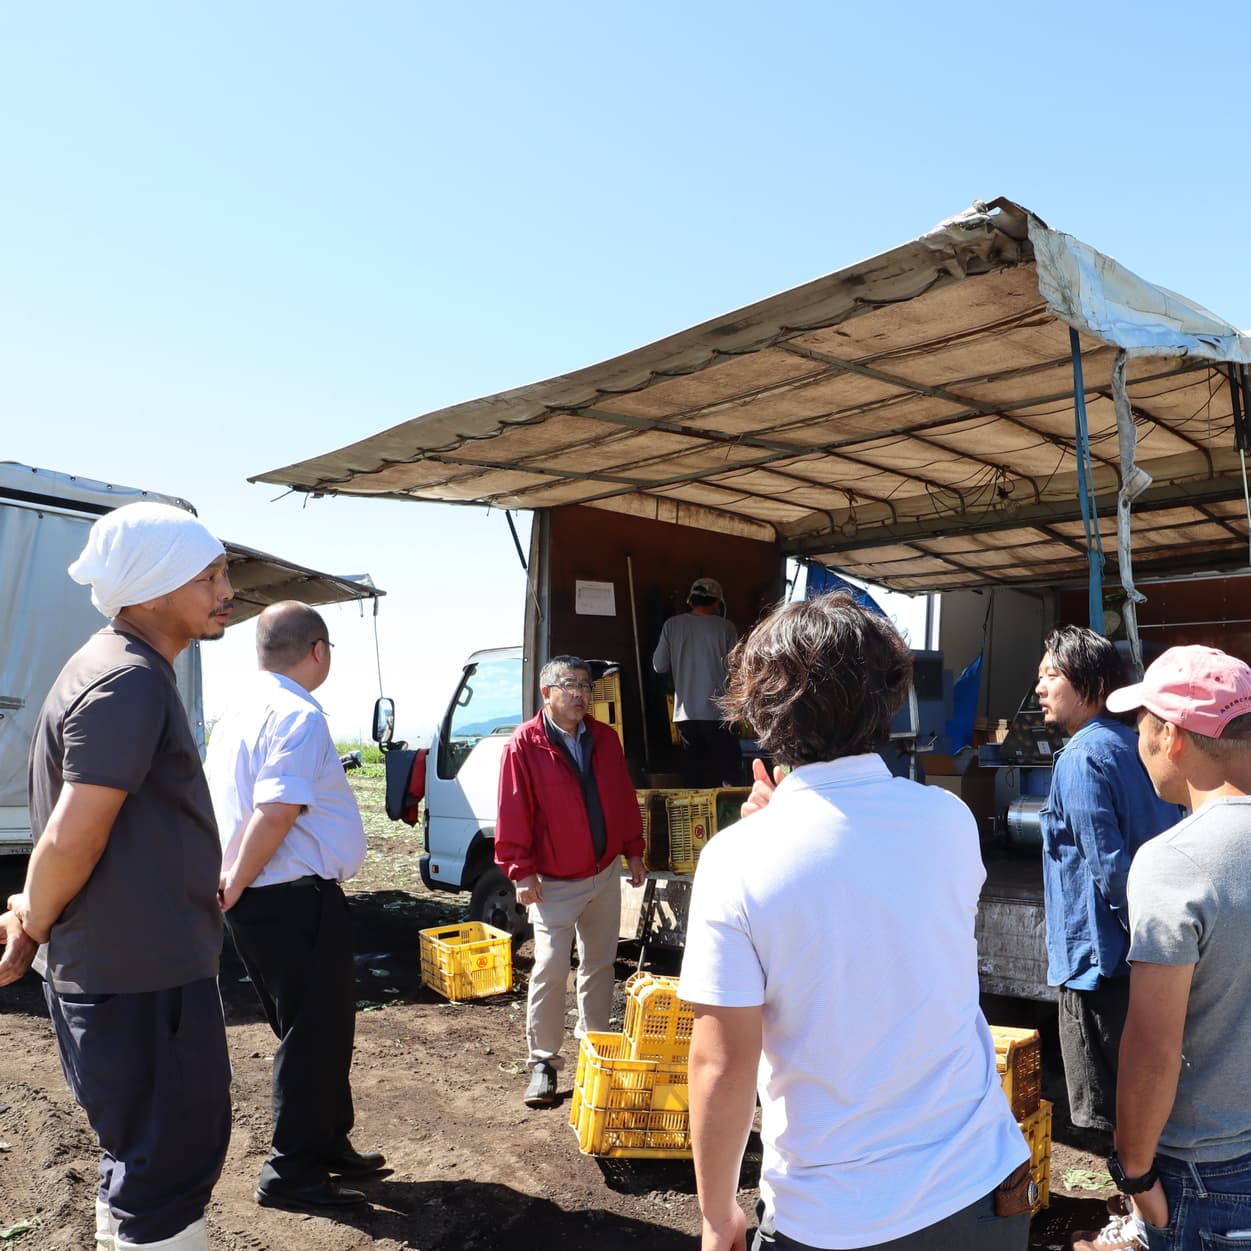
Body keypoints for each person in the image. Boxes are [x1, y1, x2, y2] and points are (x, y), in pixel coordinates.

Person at [679, 592, 1031, 1251]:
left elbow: (721, 1064)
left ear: (761, 707)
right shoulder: (948, 822)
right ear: (888, 700)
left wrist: (716, 1210)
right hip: (979, 1189)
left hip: (832, 1215)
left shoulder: (736, 858)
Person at [3, 501, 235, 1251]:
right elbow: (76, 831)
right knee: (169, 1161)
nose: (227, 588)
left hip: (137, 968)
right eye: (211, 574)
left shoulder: (119, 667)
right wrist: (30, 919)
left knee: (140, 1152)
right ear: (153, 589)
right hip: (142, 978)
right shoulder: (127, 680)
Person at [205, 601, 383, 1213]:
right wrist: (236, 881)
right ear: (318, 650)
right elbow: (275, 812)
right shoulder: (295, 714)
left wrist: (230, 884)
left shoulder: (235, 713)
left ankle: (328, 1142)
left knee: (313, 1031)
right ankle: (291, 1173)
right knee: (314, 1037)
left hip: (262, 901)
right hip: (291, 899)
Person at [1102, 646, 1251, 1250]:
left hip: (1207, 1170)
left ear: (1171, 735)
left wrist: (1134, 1176)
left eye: (1141, 728)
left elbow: (1153, 1047)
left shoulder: (1174, 861)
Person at [1035, 628, 1184, 1148]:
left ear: (1092, 685)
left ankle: (1137, 1217)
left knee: (1119, 1113)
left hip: (1099, 963)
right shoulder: (1141, 747)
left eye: (1051, 675)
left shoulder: (1080, 757)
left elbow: (1110, 868)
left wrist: (1140, 938)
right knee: (1153, 1097)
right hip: (1149, 954)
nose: (1040, 688)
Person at [495, 655, 646, 1108]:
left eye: (586, 685)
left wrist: (633, 850)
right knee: (550, 968)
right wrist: (520, 871)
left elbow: (621, 798)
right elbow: (513, 811)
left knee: (599, 965)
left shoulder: (604, 738)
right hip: (553, 883)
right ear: (547, 693)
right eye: (570, 684)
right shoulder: (524, 744)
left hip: (603, 874)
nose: (581, 693)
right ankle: (543, 1062)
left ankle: (596, 1051)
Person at [653, 576, 740, 786]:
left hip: (686, 714)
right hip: (720, 713)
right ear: (717, 602)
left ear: (690, 600)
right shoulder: (726, 628)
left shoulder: (672, 626)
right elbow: (736, 668)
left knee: (695, 776)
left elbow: (659, 666)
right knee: (727, 774)